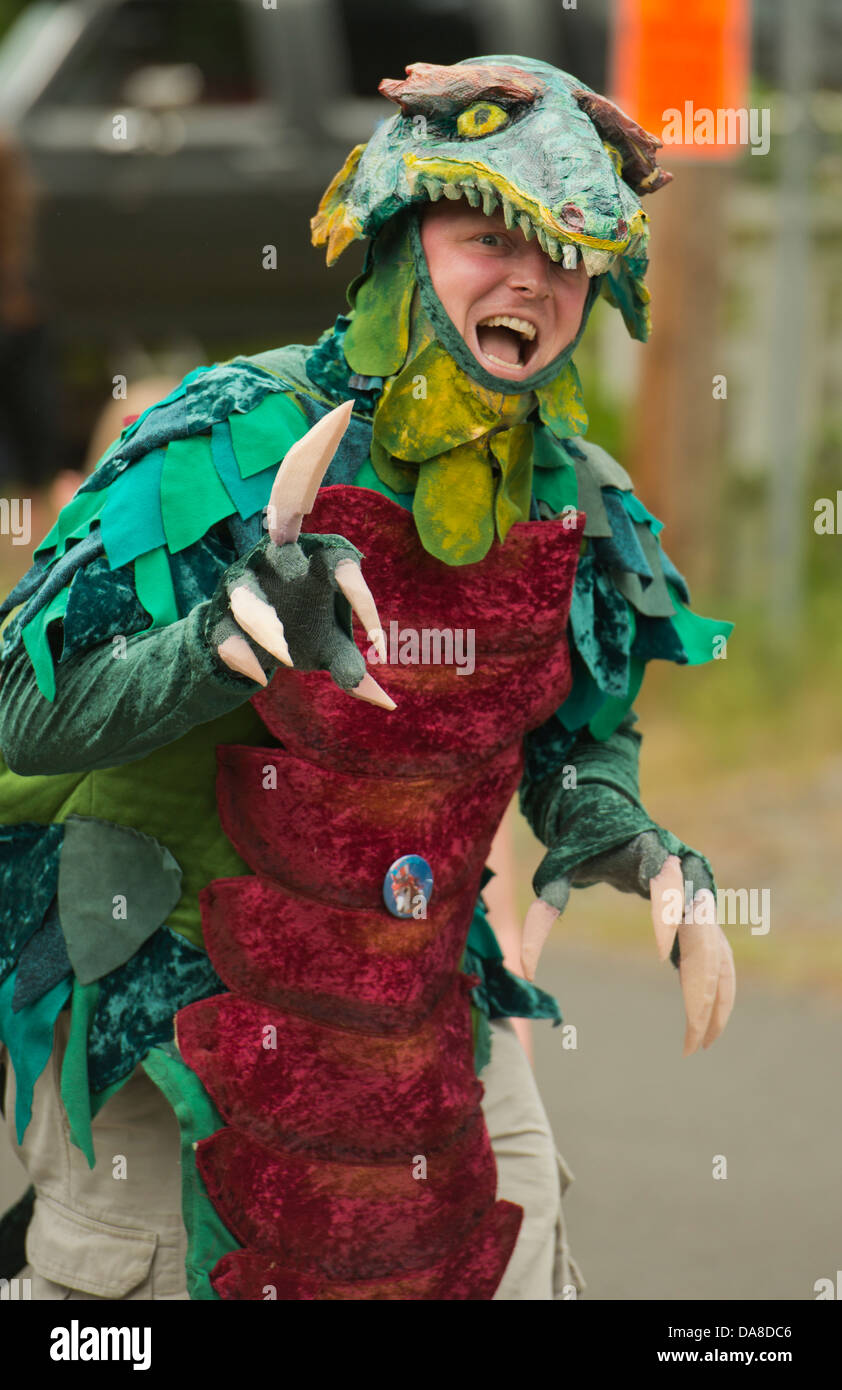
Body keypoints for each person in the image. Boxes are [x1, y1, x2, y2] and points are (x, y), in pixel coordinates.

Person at [0, 55, 734, 1301]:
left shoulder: (578, 496)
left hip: (428, 1032)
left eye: (563, 254)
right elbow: (23, 708)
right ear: (399, 238)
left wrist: (632, 842)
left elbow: (570, 743)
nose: (526, 278)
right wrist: (222, 636)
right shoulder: (237, 431)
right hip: (176, 1034)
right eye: (481, 233)